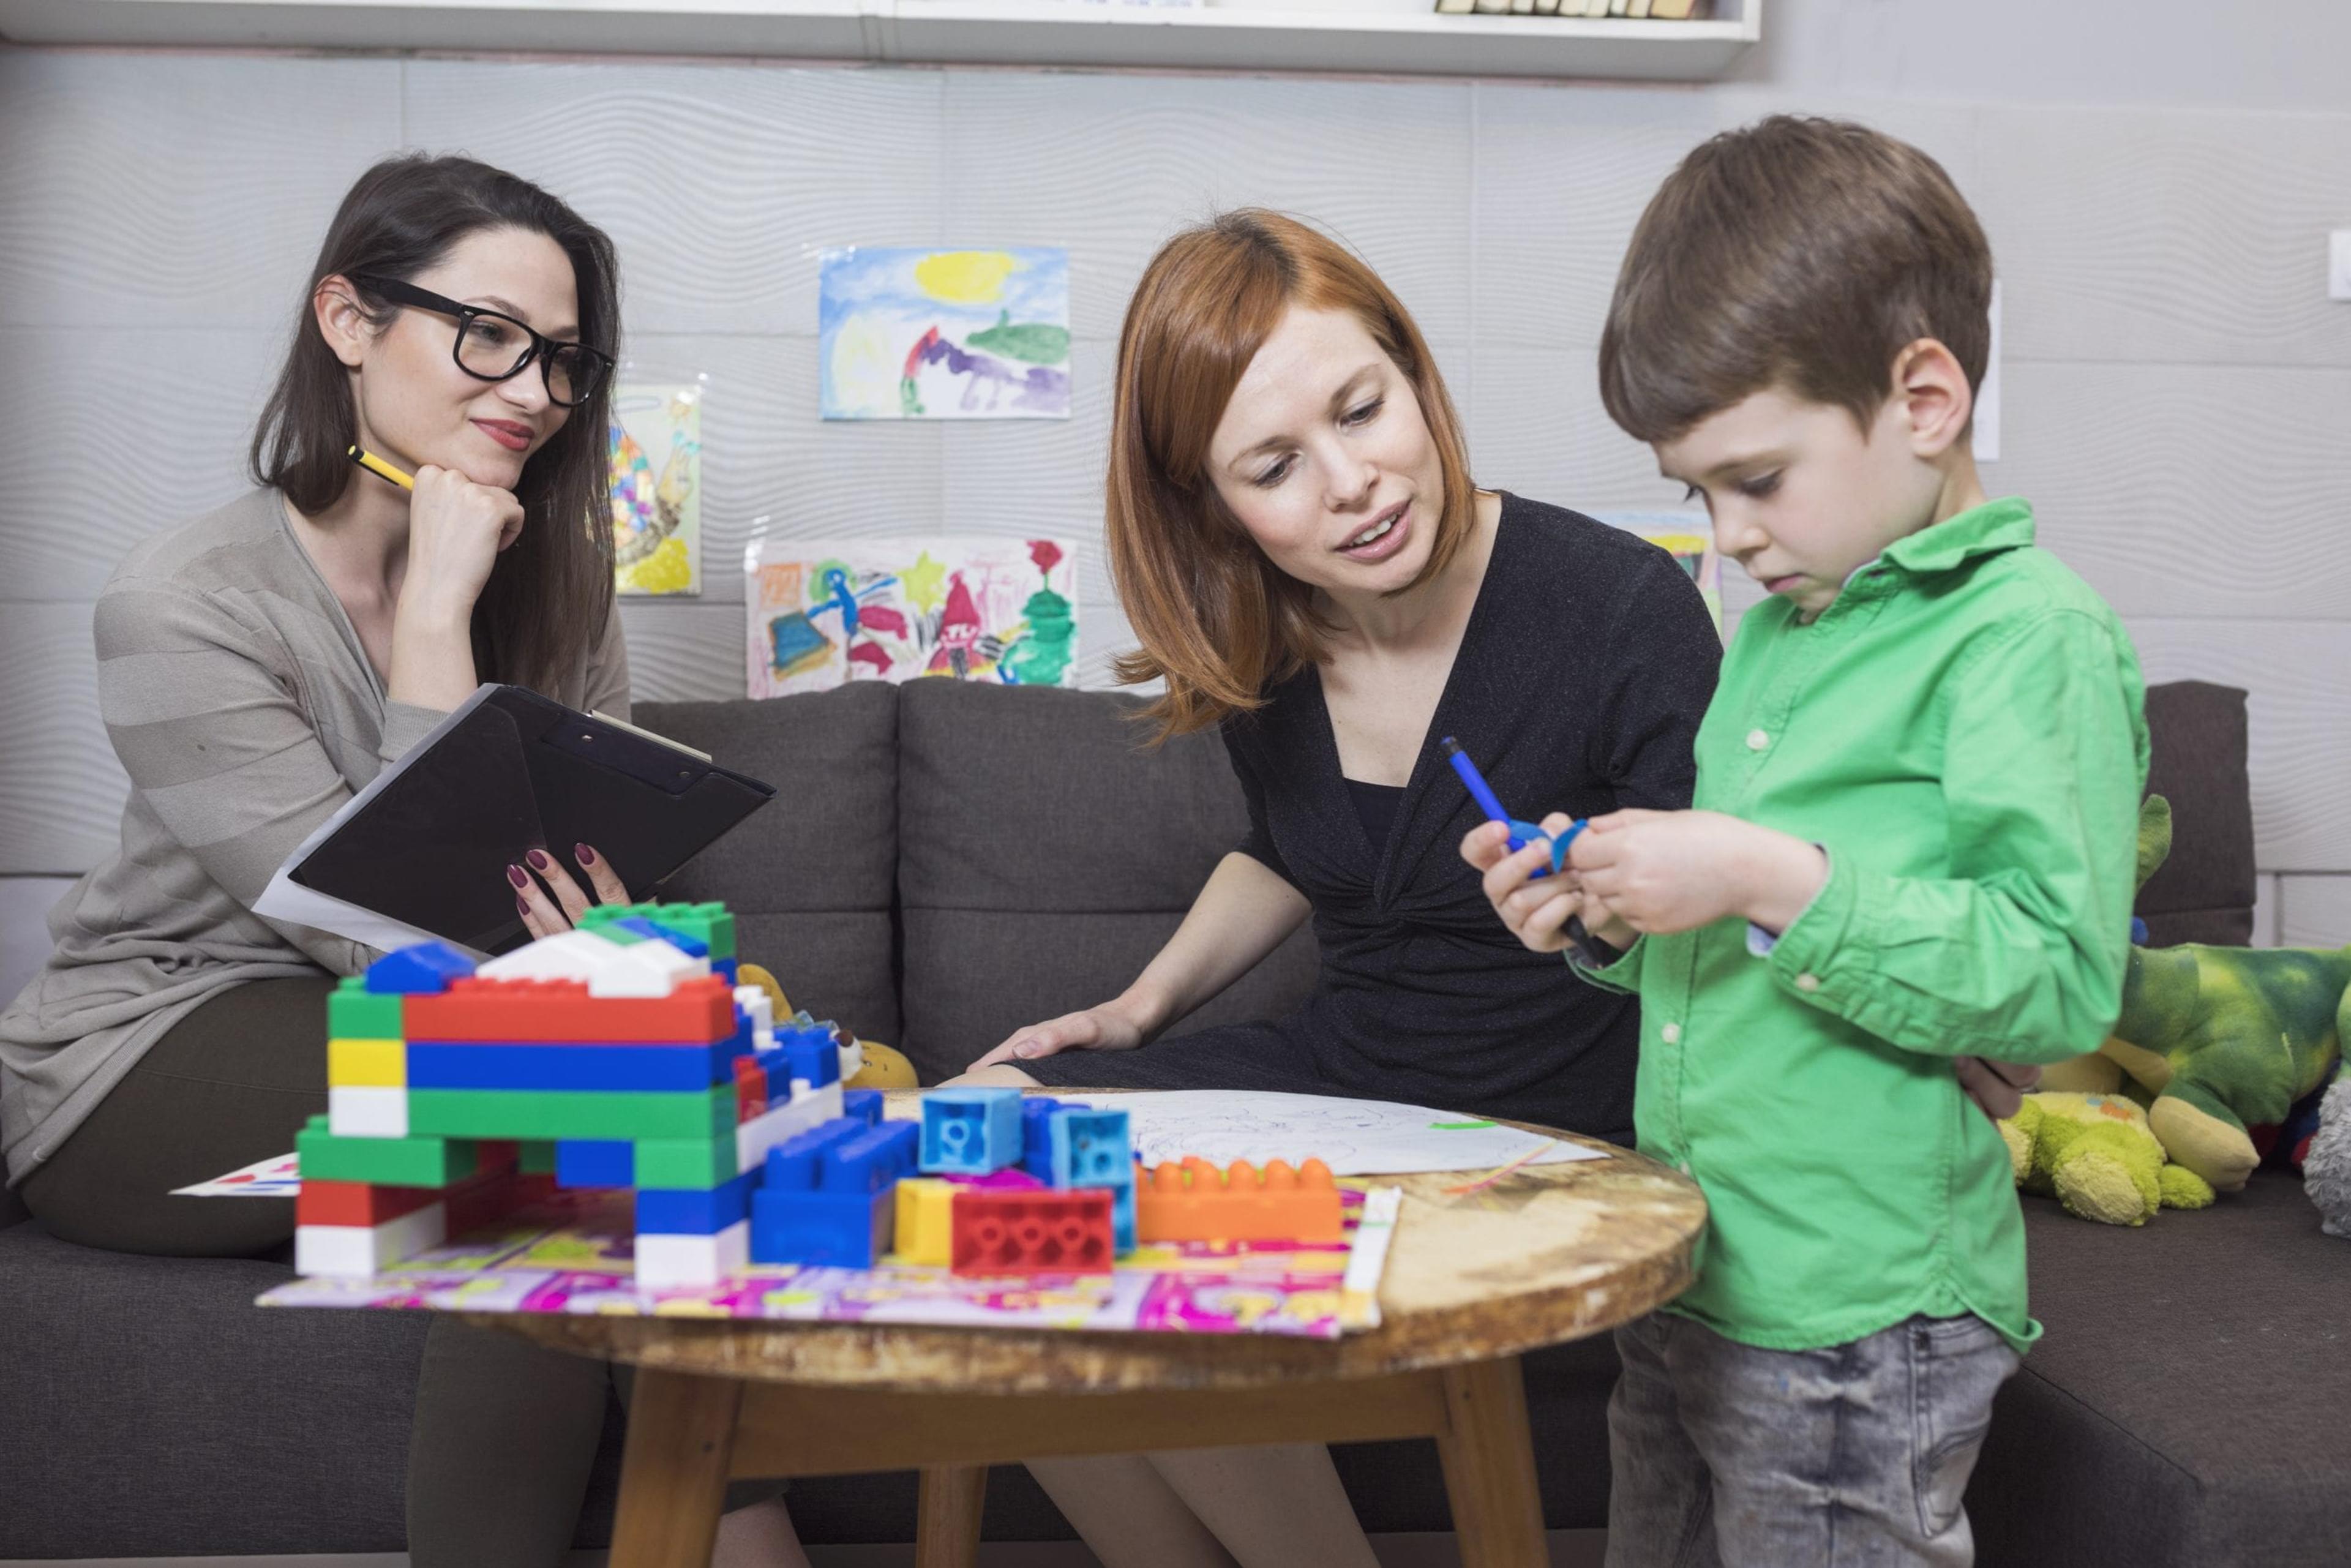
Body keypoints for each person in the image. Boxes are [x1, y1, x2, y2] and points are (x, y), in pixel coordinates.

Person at [0, 155, 802, 1568]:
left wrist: (617, 951)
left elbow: (575, 912)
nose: (533, 390)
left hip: (446, 1025)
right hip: (153, 1053)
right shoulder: (181, 603)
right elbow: (393, 946)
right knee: (557, 1117)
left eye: (562, 358)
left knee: (659, 1104)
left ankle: (739, 1539)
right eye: (487, 333)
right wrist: (437, 611)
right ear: (350, 321)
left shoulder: (561, 578)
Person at [954, 209, 1722, 1568]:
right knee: (972, 1153)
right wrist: (1139, 1009)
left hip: (1549, 1105)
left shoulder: (1616, 606)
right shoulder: (1274, 634)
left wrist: (1604, 895)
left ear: (1417, 377)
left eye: (1364, 411)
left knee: (1141, 1259)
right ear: (1215, 505)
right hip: (1350, 1080)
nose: (1353, 485)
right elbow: (1292, 851)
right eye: (1275, 466)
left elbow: (1720, 902)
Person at [1470, 117, 2144, 1567]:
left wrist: (1765, 872)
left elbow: (2055, 975)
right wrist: (1606, 911)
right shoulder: (1782, 629)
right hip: (1698, 1262)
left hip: (1858, 1306)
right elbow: (1749, 952)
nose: (1725, 536)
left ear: (1924, 397)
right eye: (1694, 493)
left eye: (1756, 481)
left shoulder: (2032, 639)